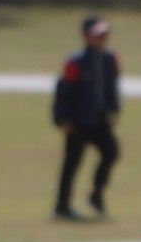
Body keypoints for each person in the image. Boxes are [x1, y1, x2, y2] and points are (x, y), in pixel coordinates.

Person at [51, 15, 121, 221]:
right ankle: (61, 207)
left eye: (104, 34)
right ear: (85, 37)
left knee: (111, 152)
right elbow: (63, 90)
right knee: (71, 164)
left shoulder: (110, 60)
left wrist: (114, 109)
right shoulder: (76, 62)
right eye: (98, 35)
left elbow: (112, 88)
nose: (102, 38)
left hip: (99, 120)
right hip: (78, 121)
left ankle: (96, 194)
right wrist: (62, 118)